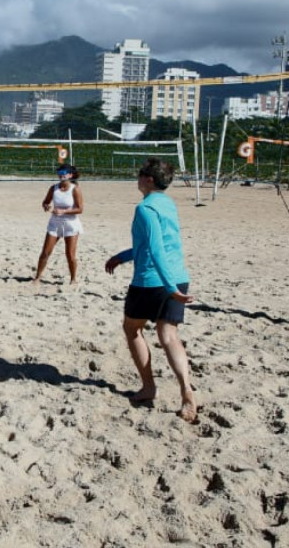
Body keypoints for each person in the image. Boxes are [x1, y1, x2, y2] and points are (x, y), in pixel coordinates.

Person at [104, 158, 197, 423]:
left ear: (149, 180)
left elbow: (155, 250)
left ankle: (148, 387)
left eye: (140, 173)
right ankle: (186, 391)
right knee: (169, 335)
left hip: (153, 282)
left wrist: (169, 289)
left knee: (132, 329)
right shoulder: (168, 204)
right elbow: (155, 244)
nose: (137, 176)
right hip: (178, 276)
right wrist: (122, 256)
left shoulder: (144, 208)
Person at [33, 165, 84, 285]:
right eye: (59, 173)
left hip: (70, 224)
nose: (61, 175)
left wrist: (64, 211)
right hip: (55, 223)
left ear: (70, 175)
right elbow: (45, 202)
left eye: (64, 173)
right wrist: (46, 206)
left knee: (70, 255)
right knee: (45, 252)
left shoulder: (75, 189)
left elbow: (80, 209)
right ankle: (38, 277)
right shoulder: (53, 188)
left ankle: (73, 279)